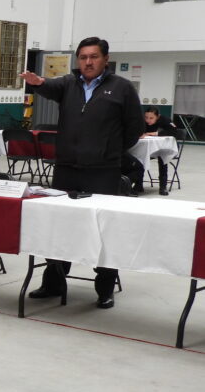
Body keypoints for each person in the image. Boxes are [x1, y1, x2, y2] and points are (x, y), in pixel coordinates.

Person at [19, 36, 144, 309]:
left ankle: (105, 288)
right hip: (66, 170)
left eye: (94, 57)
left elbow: (134, 128)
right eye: (83, 57)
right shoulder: (68, 84)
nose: (88, 62)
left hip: (103, 171)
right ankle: (53, 282)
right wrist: (37, 82)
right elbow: (48, 86)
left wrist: (108, 150)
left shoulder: (121, 88)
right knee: (59, 227)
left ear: (105, 59)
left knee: (104, 229)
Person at [142, 107, 178, 195]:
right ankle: (138, 184)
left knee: (162, 158)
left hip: (166, 147)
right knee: (140, 156)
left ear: (157, 117)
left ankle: (163, 186)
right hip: (149, 147)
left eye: (151, 118)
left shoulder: (165, 120)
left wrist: (156, 133)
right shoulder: (143, 122)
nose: (148, 120)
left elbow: (174, 131)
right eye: (146, 117)